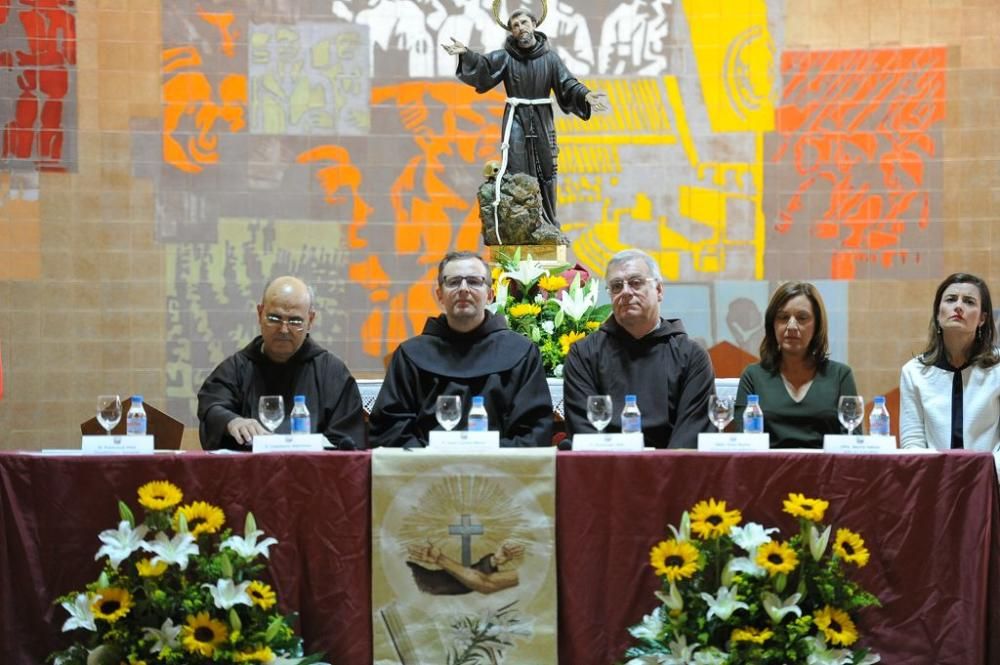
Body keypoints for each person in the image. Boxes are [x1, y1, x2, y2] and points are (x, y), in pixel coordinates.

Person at [442, 8, 609, 227]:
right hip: (516, 118)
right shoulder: (506, 57)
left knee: (547, 169)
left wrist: (585, 94)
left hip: (542, 118)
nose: (521, 28)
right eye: (515, 26)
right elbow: (485, 66)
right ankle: (522, 224)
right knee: (517, 168)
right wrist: (466, 54)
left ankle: (549, 222)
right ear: (511, 32)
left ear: (534, 24)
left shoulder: (550, 58)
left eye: (524, 23)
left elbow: (567, 82)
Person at [369, 251, 553, 448]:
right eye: (454, 282)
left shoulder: (521, 352)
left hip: (501, 472)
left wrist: (491, 461)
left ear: (490, 295)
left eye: (474, 281)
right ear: (439, 294)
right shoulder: (411, 355)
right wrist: (431, 462)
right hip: (426, 473)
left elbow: (535, 429)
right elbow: (390, 428)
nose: (463, 289)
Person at [563, 249, 715, 448]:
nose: (625, 292)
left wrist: (658, 474)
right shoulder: (584, 354)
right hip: (605, 472)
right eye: (617, 286)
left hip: (673, 472)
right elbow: (584, 431)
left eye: (636, 283)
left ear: (659, 290)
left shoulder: (691, 356)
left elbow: (692, 433)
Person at [197, 276, 366, 451]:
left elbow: (347, 440)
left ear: (311, 320)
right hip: (251, 473)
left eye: (295, 321)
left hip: (314, 473)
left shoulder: (332, 372)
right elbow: (212, 407)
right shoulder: (236, 368)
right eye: (274, 318)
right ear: (260, 314)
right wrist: (232, 421)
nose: (284, 329)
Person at [734, 282, 858, 449]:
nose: (791, 327)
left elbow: (853, 446)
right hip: (767, 473)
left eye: (802, 318)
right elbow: (743, 446)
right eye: (783, 317)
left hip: (826, 473)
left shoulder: (840, 376)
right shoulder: (753, 376)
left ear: (817, 325)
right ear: (772, 324)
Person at [900, 273, 1000, 451]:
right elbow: (912, 443)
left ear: (982, 319)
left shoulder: (997, 368)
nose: (959, 307)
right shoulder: (913, 372)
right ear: (938, 314)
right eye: (951, 299)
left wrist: (989, 474)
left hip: (990, 475)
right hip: (934, 476)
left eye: (969, 301)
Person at [406, 540, 524, 595]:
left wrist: (440, 559)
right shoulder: (527, 573)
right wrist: (493, 561)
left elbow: (486, 583)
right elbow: (486, 581)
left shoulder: (531, 574)